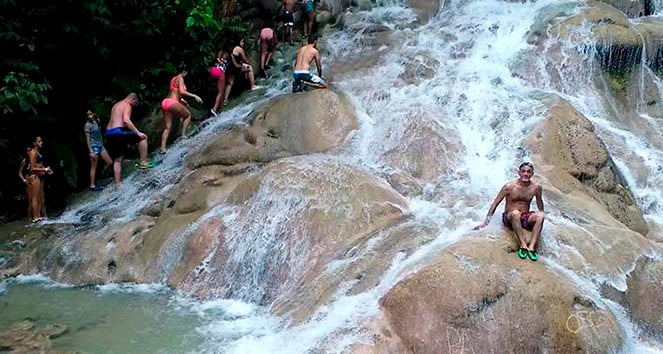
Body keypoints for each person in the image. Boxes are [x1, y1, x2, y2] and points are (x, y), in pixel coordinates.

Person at [474, 162, 546, 261]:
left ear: (532, 174)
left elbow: (540, 203)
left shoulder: (536, 188)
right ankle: (523, 245)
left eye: (528, 172)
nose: (526, 174)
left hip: (524, 216)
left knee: (541, 216)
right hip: (510, 216)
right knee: (516, 213)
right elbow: (495, 204)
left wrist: (542, 214)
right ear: (519, 173)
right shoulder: (509, 187)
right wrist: (485, 223)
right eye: (523, 171)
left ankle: (531, 247)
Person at [105, 92, 155, 187]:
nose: (135, 105)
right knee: (143, 138)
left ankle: (117, 183)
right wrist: (138, 132)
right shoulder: (127, 105)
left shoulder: (116, 105)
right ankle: (143, 162)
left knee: (118, 159)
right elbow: (126, 120)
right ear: (133, 99)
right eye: (136, 103)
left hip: (109, 133)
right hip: (118, 132)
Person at [160, 63, 203, 153]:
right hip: (172, 103)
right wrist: (195, 96)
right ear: (184, 71)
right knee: (187, 116)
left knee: (167, 127)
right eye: (186, 72)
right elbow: (181, 91)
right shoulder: (180, 78)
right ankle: (183, 137)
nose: (186, 74)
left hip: (165, 102)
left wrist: (182, 100)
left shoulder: (173, 79)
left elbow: (174, 92)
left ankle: (162, 148)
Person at [225, 38, 261, 104]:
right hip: (236, 68)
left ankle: (225, 99)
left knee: (230, 83)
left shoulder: (231, 49)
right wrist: (249, 63)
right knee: (249, 68)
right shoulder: (239, 48)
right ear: (239, 42)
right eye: (242, 42)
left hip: (230, 68)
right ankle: (253, 85)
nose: (243, 44)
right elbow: (245, 59)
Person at [84, 109, 113, 191]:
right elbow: (87, 139)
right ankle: (92, 185)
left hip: (100, 145)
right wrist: (91, 151)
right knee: (93, 167)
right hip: (94, 146)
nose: (90, 116)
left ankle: (103, 174)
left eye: (91, 114)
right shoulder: (87, 125)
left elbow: (100, 133)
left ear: (93, 114)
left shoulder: (97, 120)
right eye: (88, 115)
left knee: (109, 162)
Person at [27, 136, 53, 223]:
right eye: (39, 141)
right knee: (34, 197)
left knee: (40, 197)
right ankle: (35, 217)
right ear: (34, 143)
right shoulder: (32, 152)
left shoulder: (38, 153)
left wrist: (46, 169)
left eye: (41, 141)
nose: (41, 143)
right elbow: (32, 168)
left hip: (39, 176)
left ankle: (39, 215)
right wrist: (44, 169)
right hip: (34, 177)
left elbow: (39, 165)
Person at [210, 51, 229, 116]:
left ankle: (219, 108)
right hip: (220, 73)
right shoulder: (226, 62)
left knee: (219, 92)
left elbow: (219, 54)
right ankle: (214, 109)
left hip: (213, 70)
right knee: (221, 92)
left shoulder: (218, 59)